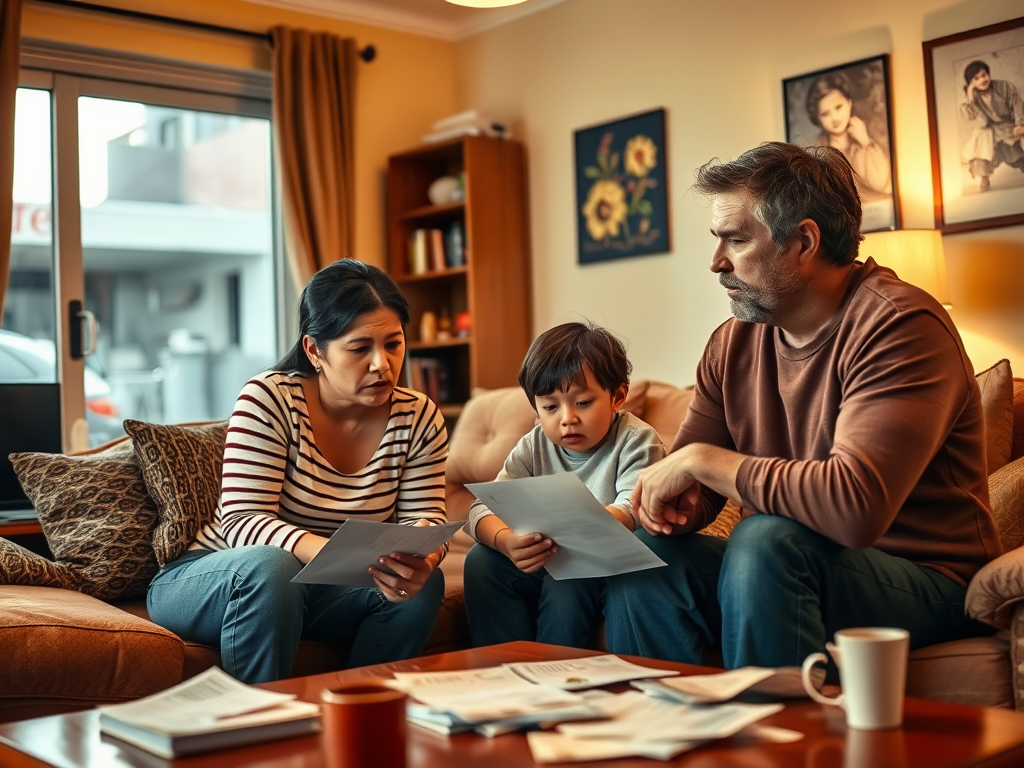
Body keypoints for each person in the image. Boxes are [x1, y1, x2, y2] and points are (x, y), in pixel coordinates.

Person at [603, 142, 1001, 670]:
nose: (716, 262)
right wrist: (671, 506)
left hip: (930, 584)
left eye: (735, 240)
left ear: (805, 241)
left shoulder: (899, 327)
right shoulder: (734, 342)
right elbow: (690, 489)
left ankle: (772, 748)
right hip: (790, 566)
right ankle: (671, 738)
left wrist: (702, 462)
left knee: (766, 539)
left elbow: (854, 510)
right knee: (649, 559)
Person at [147, 259, 449, 683]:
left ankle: (359, 712)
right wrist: (329, 553)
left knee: (420, 588)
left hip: (320, 588)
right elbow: (241, 522)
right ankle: (261, 723)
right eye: (360, 348)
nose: (382, 364)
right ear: (314, 351)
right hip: (217, 577)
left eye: (393, 344)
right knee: (275, 567)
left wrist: (424, 555)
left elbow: (426, 515)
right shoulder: (269, 398)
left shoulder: (418, 416)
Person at [463, 321, 665, 647]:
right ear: (536, 409)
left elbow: (634, 507)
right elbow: (481, 506)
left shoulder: (637, 440)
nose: (567, 418)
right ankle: (503, 668)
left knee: (568, 581)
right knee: (480, 561)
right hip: (550, 556)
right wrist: (504, 541)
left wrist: (578, 530)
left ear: (618, 396)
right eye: (550, 407)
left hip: (609, 568)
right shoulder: (534, 444)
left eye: (582, 402)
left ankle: (555, 674)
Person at [806, 71, 892, 199]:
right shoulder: (817, 151)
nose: (834, 118)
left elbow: (880, 182)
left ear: (849, 103)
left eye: (838, 107)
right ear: (818, 119)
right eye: (825, 114)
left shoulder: (870, 135)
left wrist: (866, 142)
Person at [959, 59, 1024, 192]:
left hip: (1008, 125)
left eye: (984, 75)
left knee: (1013, 155)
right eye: (976, 79)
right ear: (971, 83)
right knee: (980, 151)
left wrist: (1019, 124)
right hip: (988, 130)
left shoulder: (1004, 87)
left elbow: (1017, 105)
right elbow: (981, 122)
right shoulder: (974, 96)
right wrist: (970, 96)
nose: (982, 80)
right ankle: (984, 176)